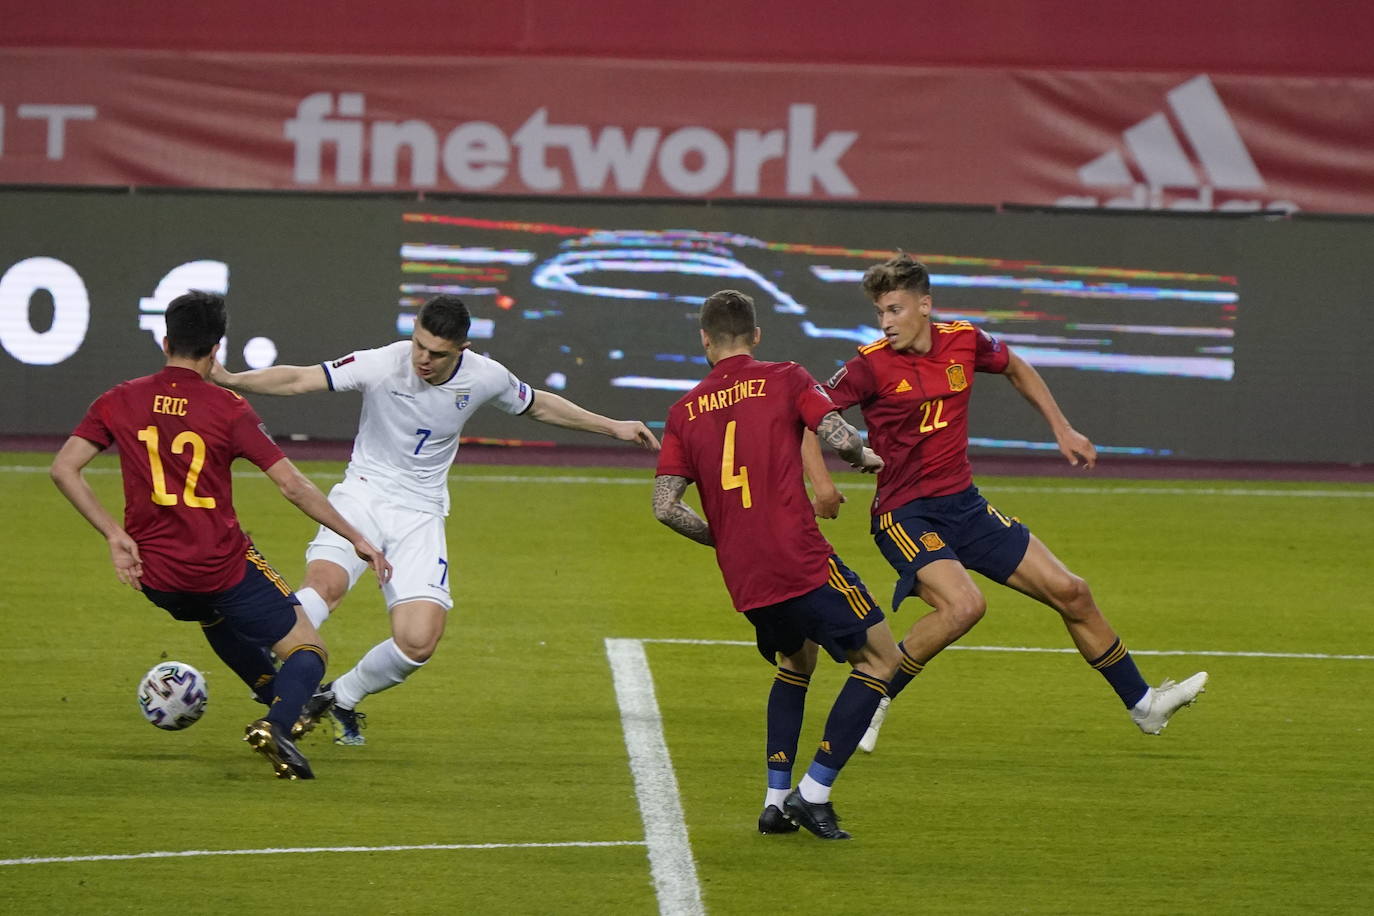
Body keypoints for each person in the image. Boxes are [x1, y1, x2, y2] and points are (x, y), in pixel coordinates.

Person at [211, 294, 659, 745]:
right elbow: (301, 379)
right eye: (419, 345)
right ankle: (270, 675)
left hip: (421, 513)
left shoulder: (486, 377)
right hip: (363, 494)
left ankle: (337, 696)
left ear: (461, 349)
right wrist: (232, 379)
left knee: (419, 641)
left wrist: (613, 426)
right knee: (325, 586)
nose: (423, 359)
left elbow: (539, 405)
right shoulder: (384, 362)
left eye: (438, 353)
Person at [821, 253, 1207, 754]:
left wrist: (1061, 428)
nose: (886, 322)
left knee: (1073, 592)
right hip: (905, 513)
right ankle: (876, 694)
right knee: (965, 606)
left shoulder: (963, 339)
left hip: (965, 506)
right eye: (880, 312)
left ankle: (1145, 706)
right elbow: (812, 408)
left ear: (925, 305)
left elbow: (1015, 366)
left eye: (894, 309)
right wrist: (829, 477)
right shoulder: (868, 365)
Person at [51, 291, 392, 780]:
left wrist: (113, 534)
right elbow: (292, 486)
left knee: (212, 615)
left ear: (165, 340)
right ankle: (276, 722)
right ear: (217, 350)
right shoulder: (227, 408)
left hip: (157, 579)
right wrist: (356, 537)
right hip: (219, 567)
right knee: (310, 652)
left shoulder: (119, 398)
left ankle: (269, 688)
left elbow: (64, 469)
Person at [652, 289, 899, 840]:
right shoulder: (785, 375)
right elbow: (838, 434)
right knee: (882, 660)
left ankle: (774, 799)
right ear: (756, 336)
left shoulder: (682, 410)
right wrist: (864, 456)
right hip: (800, 559)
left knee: (796, 661)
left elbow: (664, 507)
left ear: (705, 340)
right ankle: (813, 794)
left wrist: (729, 538)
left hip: (747, 579)